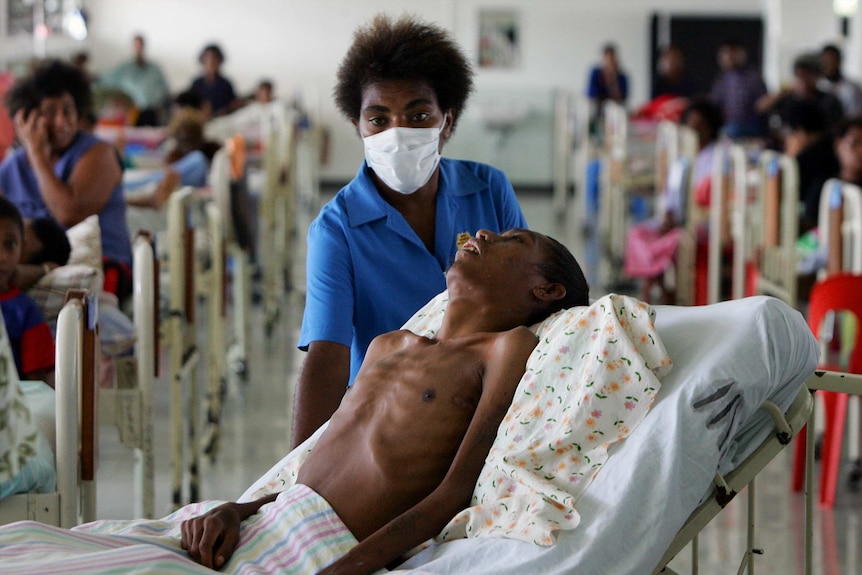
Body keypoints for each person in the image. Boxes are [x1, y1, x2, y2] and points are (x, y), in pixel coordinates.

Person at [182, 228, 589, 573]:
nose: (484, 234)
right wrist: (237, 510)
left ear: (547, 289)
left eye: (514, 241)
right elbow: (317, 474)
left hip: (329, 552)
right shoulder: (387, 345)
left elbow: (454, 492)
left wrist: (343, 569)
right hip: (264, 524)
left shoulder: (502, 350)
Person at [293, 15, 527, 447]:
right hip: (391, 416)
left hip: (493, 400)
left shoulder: (488, 190)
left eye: (418, 115)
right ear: (358, 127)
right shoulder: (337, 229)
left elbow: (530, 297)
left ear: (447, 122)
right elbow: (327, 357)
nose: (397, 134)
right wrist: (291, 482)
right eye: (378, 120)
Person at [0, 60, 133, 298]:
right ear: (28, 117)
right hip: (39, 266)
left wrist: (36, 154)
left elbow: (68, 214)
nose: (63, 121)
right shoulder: (13, 167)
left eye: (68, 110)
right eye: (50, 112)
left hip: (103, 266)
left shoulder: (98, 154)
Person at [0, 196, 54, 383]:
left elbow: (36, 381)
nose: (2, 257)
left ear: (22, 250)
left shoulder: (24, 311)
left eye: (10, 245)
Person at [757, 53, 844, 139]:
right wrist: (784, 92)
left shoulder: (828, 101)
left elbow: (834, 130)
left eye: (807, 75)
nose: (803, 80)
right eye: (800, 76)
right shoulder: (789, 98)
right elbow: (761, 107)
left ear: (817, 76)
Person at [98, 34, 172, 126]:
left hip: (153, 112)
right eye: (136, 45)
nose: (139, 48)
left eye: (141, 45)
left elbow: (165, 89)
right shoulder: (124, 68)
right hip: (133, 112)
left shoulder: (155, 68)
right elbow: (106, 81)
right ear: (132, 47)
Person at [710, 40, 768, 139]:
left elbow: (761, 106)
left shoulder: (753, 78)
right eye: (725, 53)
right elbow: (714, 103)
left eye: (733, 53)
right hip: (726, 129)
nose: (729, 57)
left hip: (750, 128)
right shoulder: (722, 80)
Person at [586, 43, 629, 129]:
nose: (609, 62)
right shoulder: (595, 73)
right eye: (607, 58)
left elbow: (621, 100)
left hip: (615, 118)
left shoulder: (622, 77)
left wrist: (612, 79)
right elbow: (591, 95)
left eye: (612, 58)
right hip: (596, 114)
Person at [189, 43, 238, 117]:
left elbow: (232, 107)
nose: (211, 62)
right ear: (202, 60)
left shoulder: (226, 85)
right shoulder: (197, 83)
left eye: (214, 58)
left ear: (220, 61)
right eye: (207, 58)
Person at [819, 44, 862, 118]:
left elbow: (856, 114)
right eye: (825, 60)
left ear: (839, 60)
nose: (828, 64)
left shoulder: (851, 88)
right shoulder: (816, 85)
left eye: (831, 60)